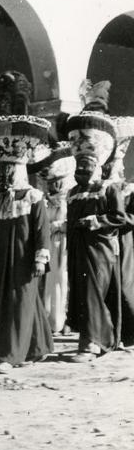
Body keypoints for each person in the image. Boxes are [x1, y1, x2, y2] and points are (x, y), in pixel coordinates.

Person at [0, 72, 54, 373]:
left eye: (11, 170)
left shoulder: (34, 196)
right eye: (3, 170)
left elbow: (42, 231)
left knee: (21, 302)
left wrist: (40, 258)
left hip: (25, 261)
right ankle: (38, 346)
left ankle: (11, 355)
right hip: (3, 263)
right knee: (11, 304)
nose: (6, 175)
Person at [65, 80, 126, 362]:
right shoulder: (73, 192)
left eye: (87, 165)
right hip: (77, 248)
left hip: (100, 249)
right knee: (80, 292)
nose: (82, 168)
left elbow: (120, 217)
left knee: (93, 292)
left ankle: (93, 343)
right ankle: (93, 338)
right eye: (80, 165)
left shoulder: (108, 188)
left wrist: (96, 220)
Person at [32, 142, 75, 334]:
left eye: (58, 182)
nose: (54, 186)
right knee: (49, 282)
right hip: (50, 245)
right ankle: (49, 320)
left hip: (66, 244)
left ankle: (65, 320)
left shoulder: (70, 200)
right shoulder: (44, 200)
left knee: (63, 280)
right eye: (51, 183)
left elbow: (73, 222)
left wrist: (59, 226)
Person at [103, 115, 134, 349]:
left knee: (125, 285)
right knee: (110, 287)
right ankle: (114, 334)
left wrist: (118, 220)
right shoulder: (105, 189)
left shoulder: (129, 190)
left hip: (127, 241)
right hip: (108, 241)